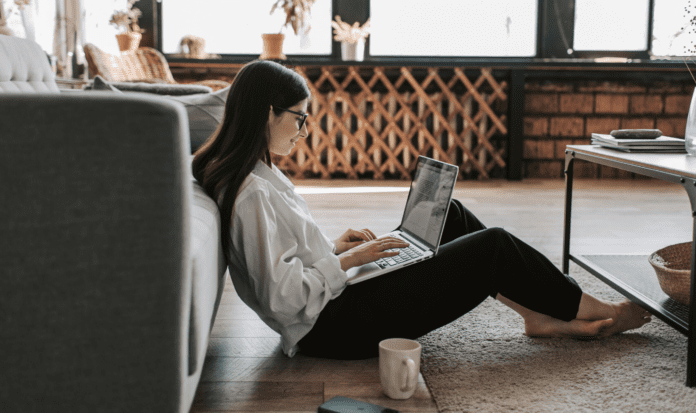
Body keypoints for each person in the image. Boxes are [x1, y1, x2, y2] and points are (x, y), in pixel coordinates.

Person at [192, 60, 652, 360]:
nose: (305, 130)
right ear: (268, 113)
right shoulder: (252, 192)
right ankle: (595, 310)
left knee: (448, 213)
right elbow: (283, 298)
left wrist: (335, 247)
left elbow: (283, 262)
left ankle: (536, 314)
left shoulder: (258, 174)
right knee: (493, 247)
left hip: (335, 302)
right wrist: (348, 262)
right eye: (300, 118)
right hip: (330, 329)